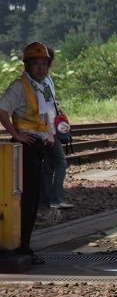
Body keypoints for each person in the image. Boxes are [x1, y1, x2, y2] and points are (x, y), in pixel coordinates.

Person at [0, 42, 54, 265]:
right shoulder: (19, 86)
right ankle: (21, 246)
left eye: (44, 63)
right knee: (27, 198)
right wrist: (17, 135)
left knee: (33, 198)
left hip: (39, 145)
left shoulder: (43, 85)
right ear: (27, 65)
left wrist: (50, 133)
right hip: (27, 145)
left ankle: (25, 245)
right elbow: (2, 110)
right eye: (36, 63)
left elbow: (49, 110)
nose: (40, 67)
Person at [41, 47, 73, 209]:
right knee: (60, 163)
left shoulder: (46, 81)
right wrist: (49, 133)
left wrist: (58, 109)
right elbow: (44, 109)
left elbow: (49, 105)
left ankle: (45, 200)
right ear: (51, 62)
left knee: (47, 165)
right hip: (50, 130)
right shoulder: (45, 82)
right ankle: (57, 199)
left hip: (49, 128)